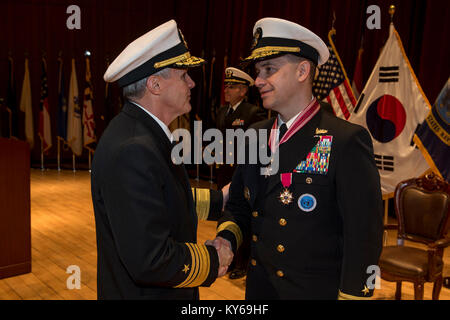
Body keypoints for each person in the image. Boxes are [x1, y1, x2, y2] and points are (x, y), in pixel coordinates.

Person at [211, 17, 383, 300]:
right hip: (259, 290)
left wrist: (354, 295)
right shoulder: (255, 135)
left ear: (303, 70)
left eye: (269, 69)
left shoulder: (345, 140)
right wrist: (227, 240)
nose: (257, 81)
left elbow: (365, 234)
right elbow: (240, 207)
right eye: (257, 71)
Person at [91, 19, 233, 300]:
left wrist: (221, 200)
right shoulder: (133, 148)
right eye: (183, 76)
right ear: (155, 84)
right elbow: (151, 259)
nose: (192, 82)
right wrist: (214, 260)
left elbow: (160, 199)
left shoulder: (143, 133)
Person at [215, 67, 265, 280]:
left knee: (243, 215)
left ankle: (242, 263)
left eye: (232, 86)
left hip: (241, 171)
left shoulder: (252, 113)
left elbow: (256, 147)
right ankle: (228, 256)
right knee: (227, 215)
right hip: (223, 171)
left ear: (244, 91)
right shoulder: (221, 111)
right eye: (226, 86)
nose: (227, 90)